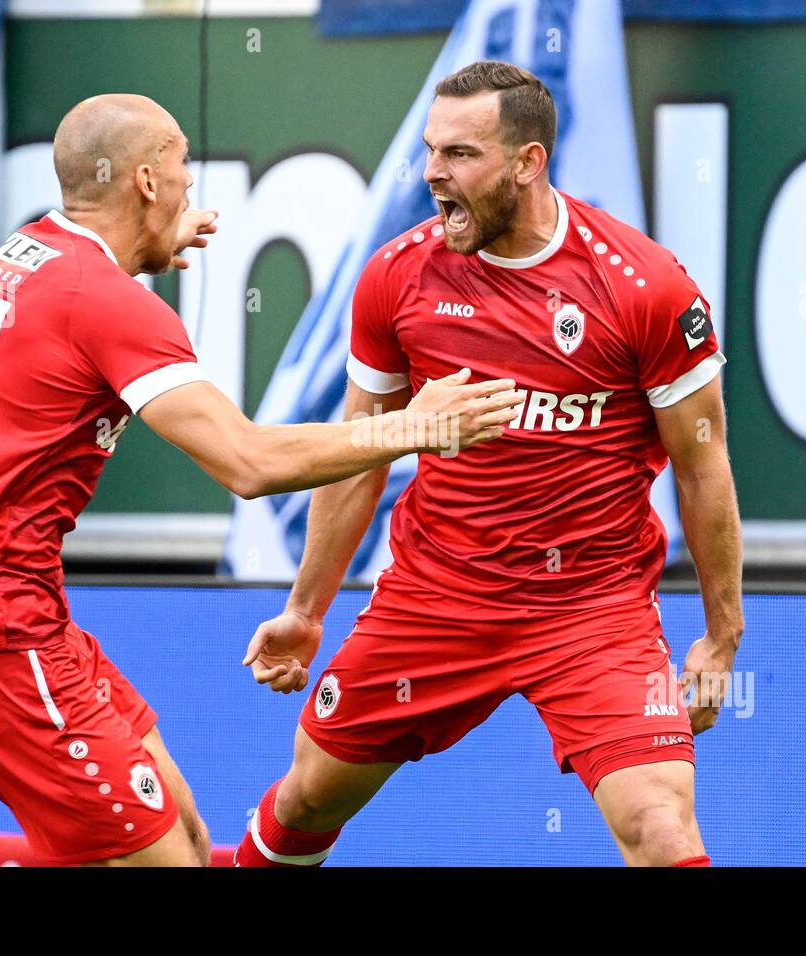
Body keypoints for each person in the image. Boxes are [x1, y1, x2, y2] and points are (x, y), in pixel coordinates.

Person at [0, 93, 520, 868]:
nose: (193, 182)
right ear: (148, 181)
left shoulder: (25, 258)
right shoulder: (110, 304)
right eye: (183, 162)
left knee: (186, 841)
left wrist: (139, 245)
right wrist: (412, 427)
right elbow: (248, 463)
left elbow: (74, 304)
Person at [235, 62, 744, 867]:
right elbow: (360, 455)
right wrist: (306, 608)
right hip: (438, 597)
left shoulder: (645, 287)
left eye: (461, 155)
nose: (433, 172)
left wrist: (721, 636)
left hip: (593, 609)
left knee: (662, 829)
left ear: (527, 163)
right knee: (305, 798)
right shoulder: (397, 278)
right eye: (432, 152)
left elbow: (703, 467)